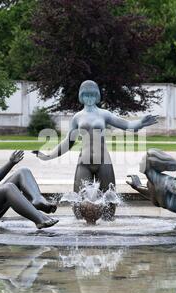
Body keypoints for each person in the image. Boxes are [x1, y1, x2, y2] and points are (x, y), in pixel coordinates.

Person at [33, 80, 158, 219]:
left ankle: (108, 232)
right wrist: (48, 156)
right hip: (84, 161)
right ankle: (82, 231)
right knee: (78, 205)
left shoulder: (104, 114)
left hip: (103, 160)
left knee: (110, 204)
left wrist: (140, 122)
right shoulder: (77, 117)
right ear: (81, 96)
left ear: (97, 96)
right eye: (86, 95)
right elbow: (68, 142)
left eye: (93, 95)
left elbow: (127, 125)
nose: (90, 98)